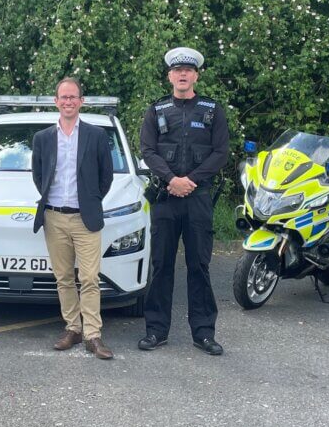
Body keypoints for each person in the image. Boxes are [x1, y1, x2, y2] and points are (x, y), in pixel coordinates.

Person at [137, 47, 231, 355]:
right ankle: (156, 330)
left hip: (198, 198)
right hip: (165, 199)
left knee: (199, 266)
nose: (182, 74)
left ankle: (203, 332)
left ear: (195, 75)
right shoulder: (157, 110)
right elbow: (148, 150)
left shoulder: (212, 110)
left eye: (188, 70)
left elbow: (220, 152)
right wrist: (171, 180)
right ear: (170, 76)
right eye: (177, 70)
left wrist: (190, 181)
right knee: (161, 265)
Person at [31, 78, 116, 360]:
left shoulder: (96, 135)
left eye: (73, 97)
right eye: (63, 97)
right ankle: (73, 328)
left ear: (81, 101)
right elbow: (38, 176)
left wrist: (91, 201)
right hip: (54, 217)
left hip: (85, 218)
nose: (68, 102)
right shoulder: (43, 138)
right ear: (56, 101)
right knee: (64, 277)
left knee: (89, 277)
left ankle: (93, 335)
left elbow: (106, 177)